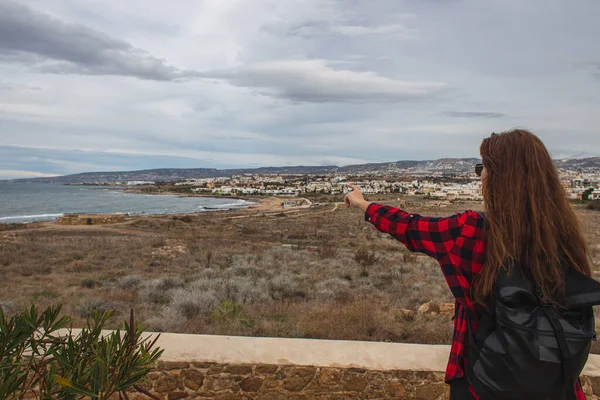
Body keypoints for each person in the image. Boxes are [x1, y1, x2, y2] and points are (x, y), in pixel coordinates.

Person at [344, 129, 591, 400]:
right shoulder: (563, 234)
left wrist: (364, 205)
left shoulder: (471, 230)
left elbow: (410, 227)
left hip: (484, 379)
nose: (480, 176)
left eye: (482, 168)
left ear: (498, 177)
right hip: (555, 380)